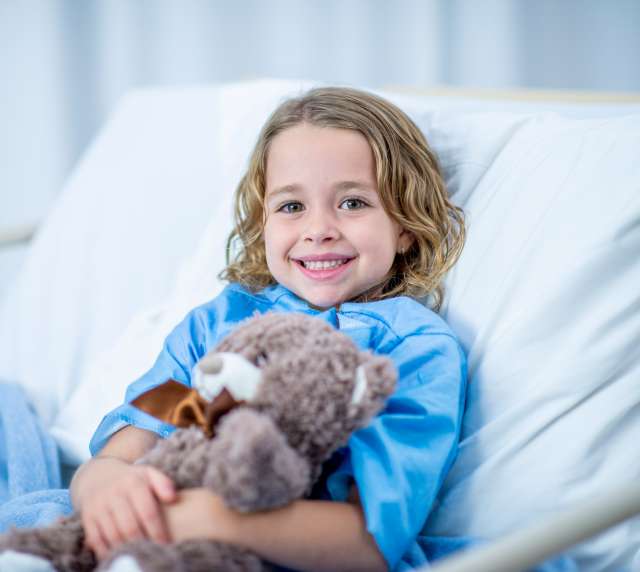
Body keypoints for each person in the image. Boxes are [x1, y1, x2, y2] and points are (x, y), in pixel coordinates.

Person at [70, 86, 467, 572]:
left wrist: (209, 518)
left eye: (353, 202)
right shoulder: (218, 324)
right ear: (263, 223)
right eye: (291, 207)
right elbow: (135, 440)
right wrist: (103, 486)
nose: (318, 228)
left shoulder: (413, 348)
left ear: (404, 223)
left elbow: (367, 542)